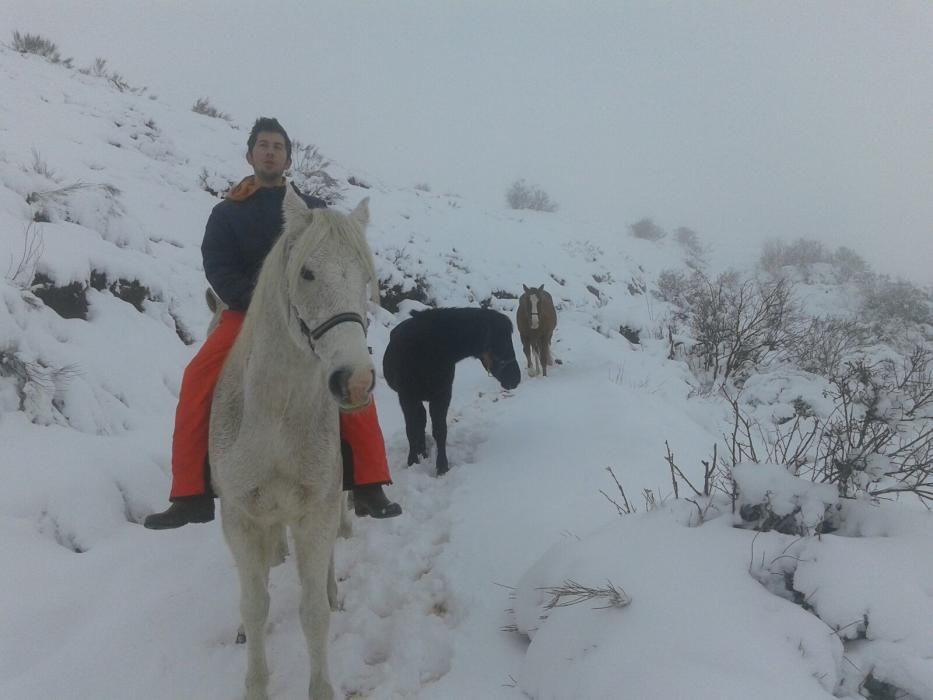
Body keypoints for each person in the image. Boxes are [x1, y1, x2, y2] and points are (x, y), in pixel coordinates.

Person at [144, 117, 401, 529]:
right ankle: (189, 492)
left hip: (309, 317)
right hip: (246, 317)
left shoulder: (314, 210)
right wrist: (256, 301)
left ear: (288, 158)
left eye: (277, 146)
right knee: (197, 379)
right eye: (262, 145)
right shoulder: (227, 213)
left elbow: (336, 261)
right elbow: (218, 266)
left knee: (352, 372)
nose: (269, 151)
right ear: (250, 155)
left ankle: (369, 482)